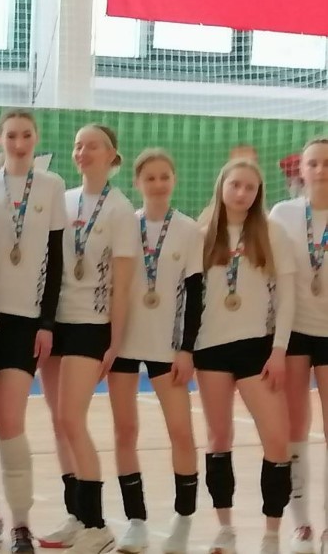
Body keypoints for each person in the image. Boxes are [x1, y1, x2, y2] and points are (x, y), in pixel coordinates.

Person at [0, 109, 65, 553]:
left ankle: (21, 521)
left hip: (24, 321)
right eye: (11, 135)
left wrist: (47, 322)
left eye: (26, 135)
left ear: (36, 138)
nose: (19, 143)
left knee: (11, 421)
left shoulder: (52, 186)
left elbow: (57, 258)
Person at [38, 124, 139, 553]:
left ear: (112, 154)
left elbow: (123, 283)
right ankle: (77, 515)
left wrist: (114, 341)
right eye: (78, 145)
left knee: (71, 419)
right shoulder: (63, 201)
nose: (82, 151)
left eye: (92, 145)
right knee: (58, 422)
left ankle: (98, 526)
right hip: (55, 321)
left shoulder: (120, 209)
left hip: (91, 324)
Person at [195, 158, 293, 554]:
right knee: (219, 437)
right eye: (235, 185)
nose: (241, 193)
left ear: (258, 194)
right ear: (221, 186)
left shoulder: (272, 232)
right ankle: (225, 529)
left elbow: (287, 297)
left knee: (277, 439)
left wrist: (279, 349)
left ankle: (272, 534)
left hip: (257, 349)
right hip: (209, 348)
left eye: (250, 187)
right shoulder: (202, 234)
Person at [107, 149, 202, 553]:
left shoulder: (189, 230)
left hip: (168, 346)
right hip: (124, 344)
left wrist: (187, 349)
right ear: (137, 183)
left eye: (165, 176)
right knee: (125, 431)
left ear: (174, 179)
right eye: (150, 178)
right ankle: (136, 521)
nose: (158, 184)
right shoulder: (124, 225)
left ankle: (183, 520)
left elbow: (196, 295)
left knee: (181, 431)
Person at [270, 138, 328, 554]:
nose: (321, 170)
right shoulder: (283, 214)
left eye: (327, 163)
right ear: (301, 170)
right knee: (294, 427)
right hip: (292, 333)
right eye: (314, 163)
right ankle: (302, 523)